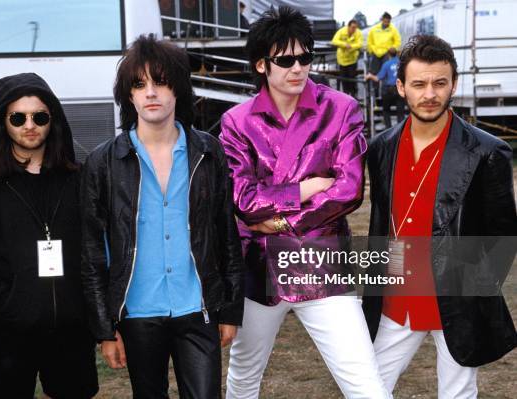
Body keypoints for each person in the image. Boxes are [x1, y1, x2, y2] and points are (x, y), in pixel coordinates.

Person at [219, 7, 390, 398]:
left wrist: (279, 222)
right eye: (285, 60)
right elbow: (244, 201)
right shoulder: (237, 122)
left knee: (365, 382)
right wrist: (305, 189)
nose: (298, 68)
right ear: (262, 64)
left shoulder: (341, 109)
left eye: (305, 57)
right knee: (243, 379)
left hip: (322, 265)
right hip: (258, 269)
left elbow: (348, 191)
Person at [80, 34, 244, 398]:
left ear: (178, 89)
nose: (150, 92)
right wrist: (104, 328)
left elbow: (225, 232)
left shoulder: (207, 150)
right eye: (139, 84)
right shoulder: (103, 162)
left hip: (197, 306)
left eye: (161, 81)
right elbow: (92, 252)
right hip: (137, 311)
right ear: (129, 94)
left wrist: (230, 309)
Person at [364, 35, 517, 398]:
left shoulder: (488, 151)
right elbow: (381, 222)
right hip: (395, 299)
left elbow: (503, 235)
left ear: (454, 84)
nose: (429, 93)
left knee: (458, 393)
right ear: (400, 87)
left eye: (439, 83)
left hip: (457, 301)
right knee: (366, 388)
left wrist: (472, 290)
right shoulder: (381, 148)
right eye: (418, 84)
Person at [0, 73, 98, 399]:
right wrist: (11, 304)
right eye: (18, 117)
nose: (30, 125)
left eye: (39, 116)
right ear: (3, 122)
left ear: (52, 121)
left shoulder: (78, 180)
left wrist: (84, 307)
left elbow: (97, 248)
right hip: (5, 334)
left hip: (70, 332)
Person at [365, 48, 405, 129]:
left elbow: (377, 78)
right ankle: (401, 130)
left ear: (388, 55)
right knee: (400, 112)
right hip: (400, 89)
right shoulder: (402, 64)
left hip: (388, 90)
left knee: (386, 110)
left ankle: (389, 129)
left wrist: (369, 76)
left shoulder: (386, 64)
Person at [367, 12, 401, 96]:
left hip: (386, 53)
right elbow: (369, 41)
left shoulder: (393, 30)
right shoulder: (374, 29)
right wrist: (371, 50)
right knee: (374, 72)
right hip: (376, 53)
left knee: (386, 72)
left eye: (388, 22)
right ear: (382, 20)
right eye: (385, 21)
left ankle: (385, 92)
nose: (387, 23)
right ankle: (375, 92)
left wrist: (393, 48)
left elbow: (398, 41)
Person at [331, 19, 363, 98]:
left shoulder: (358, 32)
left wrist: (351, 47)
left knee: (352, 78)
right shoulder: (341, 31)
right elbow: (334, 41)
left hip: (352, 60)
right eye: (352, 27)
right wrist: (344, 44)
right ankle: (345, 96)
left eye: (355, 27)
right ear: (348, 26)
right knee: (344, 79)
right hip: (342, 60)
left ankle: (354, 96)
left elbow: (360, 44)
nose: (354, 29)